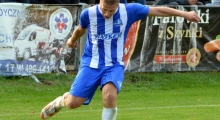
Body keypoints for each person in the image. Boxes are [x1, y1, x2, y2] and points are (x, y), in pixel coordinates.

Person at [40, 0, 200, 119]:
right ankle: (60, 102)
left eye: (111, 10)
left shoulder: (129, 11)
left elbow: (158, 10)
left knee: (109, 96)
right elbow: (80, 29)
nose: (107, 14)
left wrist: (185, 14)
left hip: (114, 65)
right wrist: (71, 40)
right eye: (104, 9)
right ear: (99, 2)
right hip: (91, 64)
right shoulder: (88, 13)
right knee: (72, 104)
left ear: (118, 4)